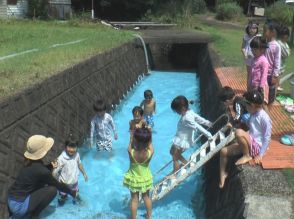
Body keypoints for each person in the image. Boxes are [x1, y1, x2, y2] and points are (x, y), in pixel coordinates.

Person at [7, 135, 77, 219]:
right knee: (52, 190)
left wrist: (51, 165)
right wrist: (71, 192)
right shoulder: (42, 171)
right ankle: (34, 215)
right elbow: (57, 185)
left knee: (42, 183)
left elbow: (38, 172)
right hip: (19, 207)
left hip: (11, 199)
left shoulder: (28, 163)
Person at [219, 90, 272, 188]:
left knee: (239, 132)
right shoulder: (253, 114)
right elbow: (249, 124)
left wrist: (260, 155)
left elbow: (267, 138)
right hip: (249, 143)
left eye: (246, 104)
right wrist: (236, 122)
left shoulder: (264, 118)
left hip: (257, 146)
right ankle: (223, 174)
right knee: (223, 151)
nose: (245, 107)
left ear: (252, 105)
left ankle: (247, 155)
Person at [170, 95, 213, 174]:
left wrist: (208, 135)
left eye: (177, 111)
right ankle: (186, 164)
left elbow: (197, 126)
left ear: (182, 109)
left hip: (183, 140)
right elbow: (199, 118)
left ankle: (175, 173)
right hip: (180, 137)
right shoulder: (190, 111)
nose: (176, 112)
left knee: (175, 156)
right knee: (172, 152)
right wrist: (208, 123)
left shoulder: (187, 117)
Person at [123, 127, 154, 219]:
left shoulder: (131, 152)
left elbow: (130, 146)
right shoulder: (150, 153)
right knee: (146, 198)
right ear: (148, 141)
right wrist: (150, 134)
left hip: (134, 179)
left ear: (135, 140)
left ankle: (133, 217)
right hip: (145, 178)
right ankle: (149, 216)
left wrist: (131, 137)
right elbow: (150, 144)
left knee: (134, 200)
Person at [52, 137, 88, 205]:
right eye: (69, 147)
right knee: (62, 199)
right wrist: (54, 182)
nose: (71, 150)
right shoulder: (61, 159)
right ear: (65, 147)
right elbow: (54, 173)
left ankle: (78, 204)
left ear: (77, 147)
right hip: (64, 185)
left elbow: (79, 164)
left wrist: (84, 173)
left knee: (76, 197)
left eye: (74, 147)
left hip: (74, 183)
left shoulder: (77, 155)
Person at [263, 21, 281, 105]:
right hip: (262, 72)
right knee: (262, 93)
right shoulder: (264, 42)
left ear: (272, 32)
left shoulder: (276, 46)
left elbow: (277, 62)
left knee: (270, 95)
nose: (263, 32)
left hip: (270, 75)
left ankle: (269, 109)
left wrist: (275, 75)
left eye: (265, 30)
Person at [249, 36, 270, 109]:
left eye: (255, 50)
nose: (253, 52)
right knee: (255, 104)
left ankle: (268, 120)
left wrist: (260, 87)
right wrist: (250, 84)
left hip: (261, 87)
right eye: (252, 50)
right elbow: (251, 73)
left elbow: (264, 75)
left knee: (263, 104)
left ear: (262, 50)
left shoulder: (264, 61)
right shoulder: (254, 59)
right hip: (254, 85)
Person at [241, 21, 259, 91]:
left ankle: (255, 89)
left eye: (254, 28)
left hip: (256, 58)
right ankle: (248, 90)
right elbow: (242, 48)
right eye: (251, 28)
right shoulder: (246, 36)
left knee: (256, 74)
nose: (252, 29)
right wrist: (245, 55)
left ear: (257, 29)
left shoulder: (258, 37)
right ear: (248, 28)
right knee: (250, 74)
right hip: (248, 59)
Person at [277, 25, 291, 91]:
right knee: (278, 74)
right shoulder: (279, 43)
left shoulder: (285, 44)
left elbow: (287, 53)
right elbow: (287, 54)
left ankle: (278, 85)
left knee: (280, 74)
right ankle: (277, 86)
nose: (285, 36)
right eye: (283, 34)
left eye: (286, 35)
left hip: (282, 63)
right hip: (278, 63)